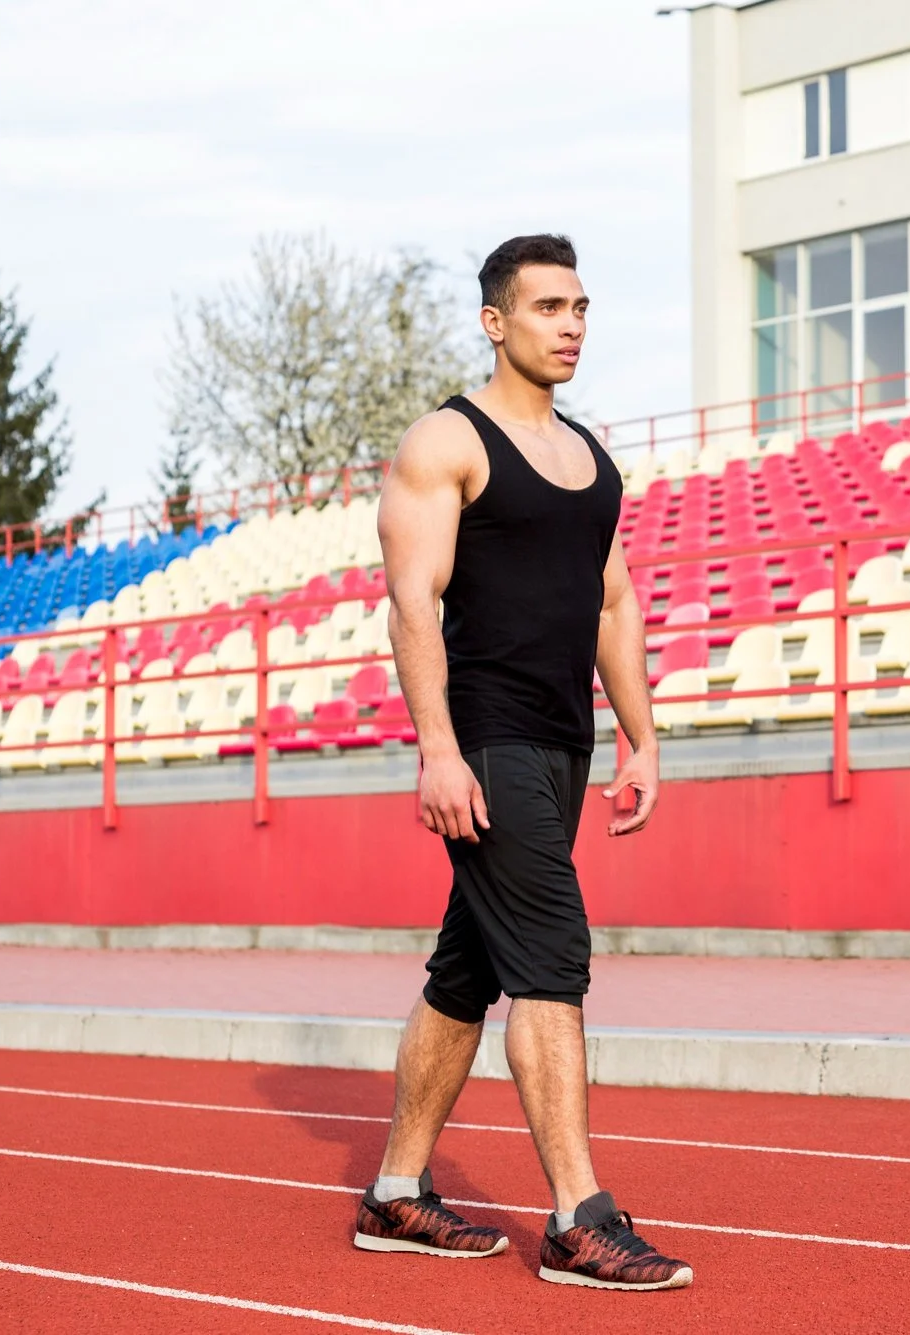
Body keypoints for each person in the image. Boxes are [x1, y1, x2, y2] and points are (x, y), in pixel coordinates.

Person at [352, 234, 689, 1291]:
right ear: (496, 322)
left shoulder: (591, 460)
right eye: (548, 307)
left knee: (466, 976)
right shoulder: (443, 444)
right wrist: (438, 752)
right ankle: (579, 1218)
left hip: (559, 745)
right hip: (486, 741)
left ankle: (397, 1192)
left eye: (581, 305)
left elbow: (615, 603)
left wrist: (641, 736)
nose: (572, 324)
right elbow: (411, 603)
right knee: (553, 955)